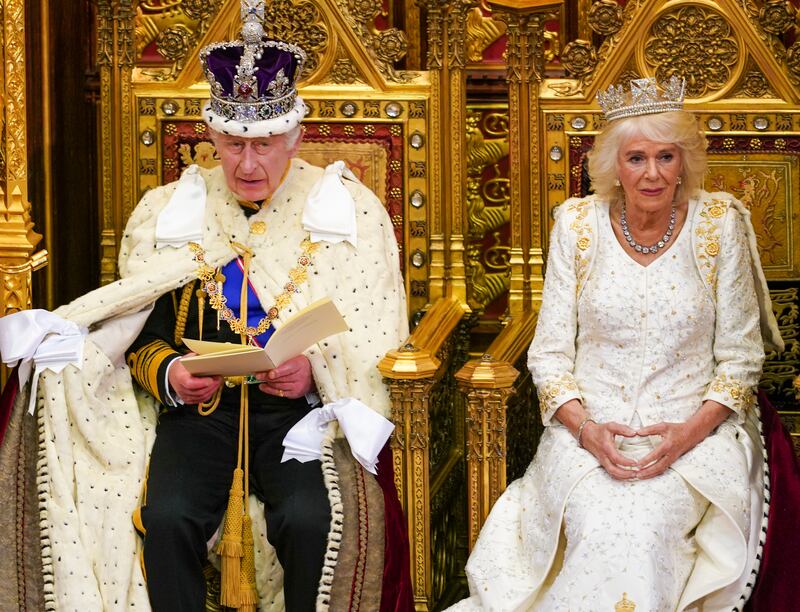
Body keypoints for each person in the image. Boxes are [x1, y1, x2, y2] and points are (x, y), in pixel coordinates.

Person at [0, 1, 411, 610]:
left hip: (299, 418)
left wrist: (314, 373)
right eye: (234, 143)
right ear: (213, 136)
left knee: (307, 521)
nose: (249, 163)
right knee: (164, 519)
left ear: (294, 138)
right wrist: (170, 374)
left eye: (266, 143)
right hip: (196, 417)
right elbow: (135, 335)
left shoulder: (347, 211)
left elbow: (371, 337)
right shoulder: (170, 213)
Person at [448, 76, 783, 611]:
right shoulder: (576, 226)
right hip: (589, 435)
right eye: (636, 158)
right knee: (598, 523)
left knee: (644, 531)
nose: (652, 174)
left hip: (693, 435)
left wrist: (682, 437)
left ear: (684, 162)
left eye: (666, 156)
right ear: (612, 166)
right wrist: (588, 432)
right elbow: (550, 355)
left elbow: (741, 360)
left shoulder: (719, 225)